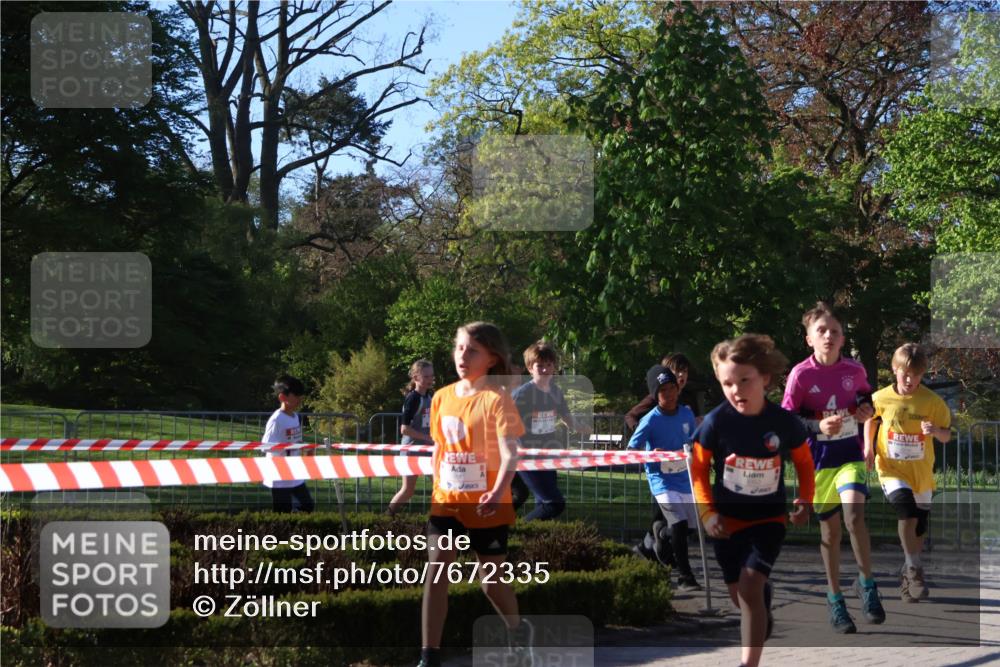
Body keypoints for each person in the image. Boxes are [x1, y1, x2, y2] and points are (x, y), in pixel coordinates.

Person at [690, 334, 815, 667]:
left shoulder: (783, 422)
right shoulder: (716, 423)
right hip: (726, 522)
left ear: (765, 379)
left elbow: (804, 462)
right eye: (727, 383)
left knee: (748, 587)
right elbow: (699, 469)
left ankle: (749, 663)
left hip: (768, 519)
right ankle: (762, 602)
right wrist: (706, 514)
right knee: (740, 595)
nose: (736, 390)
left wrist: (805, 498)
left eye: (744, 380)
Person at [418, 322, 534, 667]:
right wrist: (436, 481)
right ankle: (429, 655)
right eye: (459, 348)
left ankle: (517, 629)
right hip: (447, 501)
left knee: (490, 583)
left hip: (488, 505)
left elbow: (511, 452)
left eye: (472, 350)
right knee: (436, 570)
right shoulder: (441, 397)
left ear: (491, 357)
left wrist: (499, 491)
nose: (462, 356)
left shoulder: (497, 399)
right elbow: (439, 447)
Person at [781, 302, 884, 633]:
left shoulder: (854, 371)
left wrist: (865, 411)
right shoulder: (800, 375)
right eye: (821, 331)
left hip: (849, 456)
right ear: (809, 338)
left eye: (834, 331)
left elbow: (866, 399)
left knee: (854, 516)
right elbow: (788, 422)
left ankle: (867, 585)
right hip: (818, 463)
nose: (828, 335)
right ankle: (835, 598)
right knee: (830, 531)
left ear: (842, 339)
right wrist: (817, 427)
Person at [864, 343, 952, 603]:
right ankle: (914, 568)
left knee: (919, 525)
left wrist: (935, 431)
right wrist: (868, 448)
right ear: (894, 369)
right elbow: (871, 419)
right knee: (905, 510)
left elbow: (947, 435)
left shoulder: (932, 402)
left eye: (916, 375)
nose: (910, 380)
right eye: (905, 373)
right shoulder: (880, 397)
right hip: (890, 468)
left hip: (921, 472)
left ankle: (908, 572)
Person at [627, 366, 701, 592]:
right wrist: (652, 454)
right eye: (663, 391)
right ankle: (685, 576)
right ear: (655, 394)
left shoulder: (687, 414)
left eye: (672, 388)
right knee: (678, 523)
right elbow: (632, 450)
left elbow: (693, 440)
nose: (669, 394)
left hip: (684, 477)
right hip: (662, 480)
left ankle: (661, 534)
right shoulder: (650, 420)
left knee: (691, 526)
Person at [510, 340, 590, 520]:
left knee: (543, 502)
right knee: (553, 504)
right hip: (525, 457)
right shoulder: (522, 395)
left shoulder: (555, 391)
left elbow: (567, 417)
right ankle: (519, 532)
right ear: (530, 368)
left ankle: (529, 539)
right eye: (540, 366)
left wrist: (580, 426)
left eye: (549, 365)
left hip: (547, 455)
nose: (545, 370)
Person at [388, 360, 436, 516]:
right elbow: (405, 429)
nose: (430, 379)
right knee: (408, 491)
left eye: (432, 376)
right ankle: (388, 516)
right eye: (426, 376)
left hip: (427, 451)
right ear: (416, 377)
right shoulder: (413, 398)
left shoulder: (430, 397)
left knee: (441, 485)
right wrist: (428, 437)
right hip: (411, 451)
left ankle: (442, 520)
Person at [261, 375, 314, 513]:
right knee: (282, 512)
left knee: (307, 506)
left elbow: (294, 439)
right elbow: (266, 446)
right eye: (295, 395)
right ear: (282, 397)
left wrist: (304, 447)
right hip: (279, 474)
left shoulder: (296, 417)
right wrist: (285, 448)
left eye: (300, 395)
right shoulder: (276, 420)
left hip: (295, 472)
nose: (299, 399)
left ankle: (296, 528)